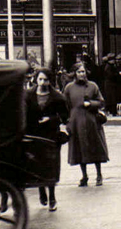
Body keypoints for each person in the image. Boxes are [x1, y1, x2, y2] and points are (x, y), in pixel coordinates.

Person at [25, 68, 69, 211]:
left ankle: (52, 196)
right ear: (36, 79)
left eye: (45, 80)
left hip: (51, 136)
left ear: (50, 81)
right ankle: (41, 190)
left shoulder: (57, 97)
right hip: (34, 135)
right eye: (40, 79)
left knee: (50, 166)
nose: (43, 82)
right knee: (37, 165)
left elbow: (64, 117)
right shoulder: (28, 95)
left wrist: (51, 119)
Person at [64, 62, 110, 187]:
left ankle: (99, 175)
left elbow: (101, 102)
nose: (81, 74)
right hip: (76, 121)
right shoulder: (69, 88)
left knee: (95, 147)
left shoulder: (93, 86)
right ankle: (84, 176)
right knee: (80, 149)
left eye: (83, 71)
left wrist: (91, 104)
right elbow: (65, 105)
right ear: (74, 73)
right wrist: (67, 121)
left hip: (92, 121)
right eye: (79, 72)